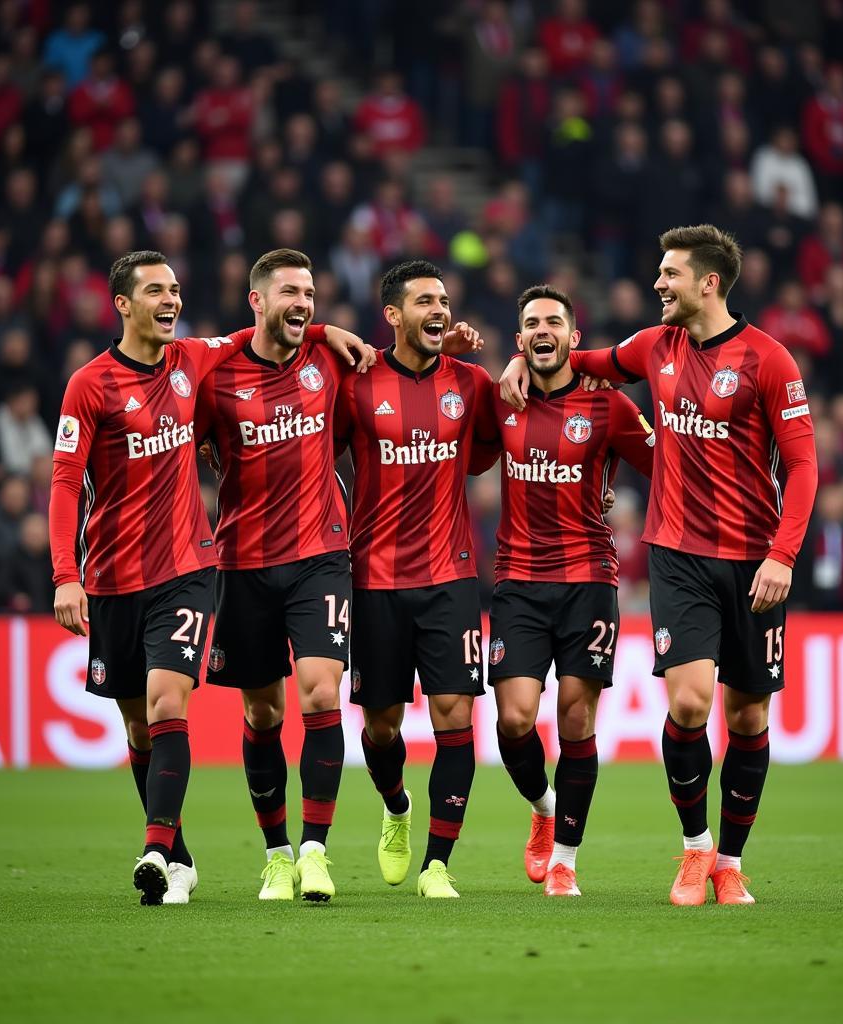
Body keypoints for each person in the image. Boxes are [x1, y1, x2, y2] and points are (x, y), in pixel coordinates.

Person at [501, 225, 818, 905]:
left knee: (749, 719)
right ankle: (696, 848)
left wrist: (783, 555)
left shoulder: (769, 361)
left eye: (669, 274)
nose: (657, 285)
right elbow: (584, 359)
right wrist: (521, 359)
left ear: (708, 282)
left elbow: (802, 465)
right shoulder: (655, 347)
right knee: (690, 700)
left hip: (753, 562)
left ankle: (731, 861)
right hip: (677, 555)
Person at [50, 250, 368, 906]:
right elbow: (62, 481)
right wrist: (65, 574)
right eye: (157, 291)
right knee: (145, 727)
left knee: (190, 700)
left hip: (190, 569)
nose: (171, 299)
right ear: (124, 305)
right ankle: (184, 857)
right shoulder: (90, 385)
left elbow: (276, 328)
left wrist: (321, 329)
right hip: (118, 576)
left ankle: (178, 851)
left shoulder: (194, 357)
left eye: (175, 288)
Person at [194, 248, 372, 903]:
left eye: (311, 294)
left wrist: (327, 332)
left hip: (320, 555)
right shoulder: (217, 377)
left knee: (321, 693)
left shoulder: (329, 361)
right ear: (257, 301)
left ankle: (317, 852)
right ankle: (275, 855)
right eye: (290, 292)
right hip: (242, 561)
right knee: (262, 710)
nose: (303, 303)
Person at [485, 284, 655, 897]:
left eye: (553, 321)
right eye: (531, 323)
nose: (542, 331)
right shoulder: (501, 399)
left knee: (576, 718)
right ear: (520, 339)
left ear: (574, 337)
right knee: (514, 719)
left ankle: (564, 859)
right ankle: (541, 806)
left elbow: (666, 467)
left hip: (588, 579)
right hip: (518, 581)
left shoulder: (607, 407)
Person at [334, 260, 493, 898]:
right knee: (382, 726)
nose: (440, 310)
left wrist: (503, 368)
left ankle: (438, 864)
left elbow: (489, 445)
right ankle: (396, 806)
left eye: (445, 300)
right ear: (393, 316)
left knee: (456, 714)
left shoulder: (470, 382)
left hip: (452, 575)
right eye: (425, 300)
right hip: (375, 577)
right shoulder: (358, 383)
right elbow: (312, 446)